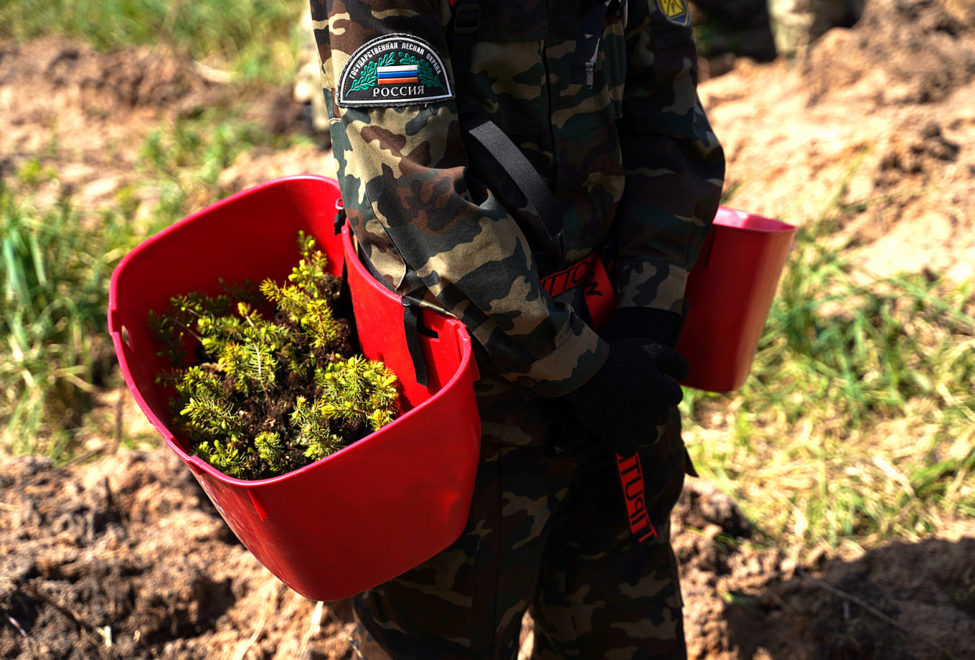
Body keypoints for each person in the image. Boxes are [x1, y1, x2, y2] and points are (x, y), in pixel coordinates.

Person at [307, 0, 725, 657]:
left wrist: (647, 315)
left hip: (615, 348)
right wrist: (578, 367)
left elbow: (667, 125)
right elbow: (416, 195)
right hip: (454, 393)